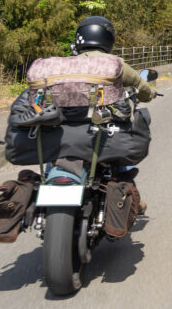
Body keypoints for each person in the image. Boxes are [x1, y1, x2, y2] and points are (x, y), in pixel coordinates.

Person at [71, 15, 156, 213]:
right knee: (120, 147)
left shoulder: (65, 64)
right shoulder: (114, 64)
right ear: (107, 39)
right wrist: (149, 94)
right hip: (99, 126)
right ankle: (128, 190)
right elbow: (140, 86)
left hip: (68, 126)